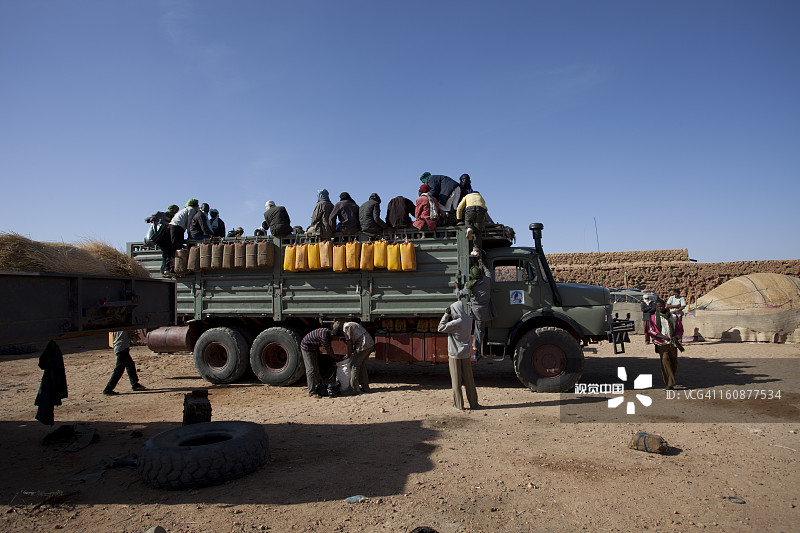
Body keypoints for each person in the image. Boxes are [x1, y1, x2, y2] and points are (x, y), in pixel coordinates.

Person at [438, 299, 479, 410]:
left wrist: (446, 314)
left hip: (455, 356)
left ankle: (459, 404)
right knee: (469, 380)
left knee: (456, 381)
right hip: (466, 354)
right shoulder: (469, 320)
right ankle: (474, 403)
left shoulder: (456, 323)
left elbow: (440, 327)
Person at [458, 264, 496, 358]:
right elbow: (489, 274)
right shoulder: (487, 281)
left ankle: (465, 347)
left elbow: (460, 294)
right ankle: (475, 348)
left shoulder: (469, 285)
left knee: (466, 328)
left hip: (472, 310)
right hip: (483, 311)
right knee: (479, 330)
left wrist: (456, 287)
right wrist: (484, 267)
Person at [647, 298, 684, 389]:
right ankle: (670, 383)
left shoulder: (674, 317)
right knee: (665, 361)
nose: (660, 308)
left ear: (665, 306)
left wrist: (676, 337)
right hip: (661, 343)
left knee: (674, 362)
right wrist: (662, 337)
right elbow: (651, 330)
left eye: (662, 306)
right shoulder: (653, 318)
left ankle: (671, 379)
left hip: (673, 343)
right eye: (658, 307)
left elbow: (679, 329)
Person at [331, 321, 374, 394]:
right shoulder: (350, 324)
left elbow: (349, 343)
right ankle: (365, 388)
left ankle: (354, 388)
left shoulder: (347, 328)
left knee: (355, 366)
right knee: (362, 366)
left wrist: (348, 355)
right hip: (369, 344)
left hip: (363, 345)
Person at [103, 330, 146, 395]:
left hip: (120, 346)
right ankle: (108, 389)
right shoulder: (124, 327)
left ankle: (135, 384)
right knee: (119, 369)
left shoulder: (118, 326)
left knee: (130, 365)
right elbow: (131, 334)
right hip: (122, 347)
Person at [300, 327, 338, 399]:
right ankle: (311, 392)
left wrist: (335, 357)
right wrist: (337, 358)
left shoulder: (328, 333)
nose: (335, 340)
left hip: (313, 347)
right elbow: (328, 351)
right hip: (307, 347)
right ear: (333, 335)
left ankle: (317, 386)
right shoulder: (325, 336)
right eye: (336, 338)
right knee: (311, 369)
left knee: (316, 368)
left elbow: (330, 348)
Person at [167, 199, 198, 275]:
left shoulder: (185, 209)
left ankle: (173, 267)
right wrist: (190, 235)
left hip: (174, 227)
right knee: (176, 248)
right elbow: (189, 223)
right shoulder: (191, 210)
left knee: (176, 246)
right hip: (177, 228)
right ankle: (173, 268)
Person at [456, 190, 489, 257]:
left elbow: (459, 208)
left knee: (468, 221)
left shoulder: (467, 196)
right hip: (481, 210)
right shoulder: (481, 197)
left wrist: (459, 219)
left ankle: (469, 228)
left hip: (470, 209)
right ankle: (476, 250)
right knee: (478, 231)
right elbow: (485, 207)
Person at [146, 207, 175, 276]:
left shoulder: (160, 214)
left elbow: (147, 220)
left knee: (165, 253)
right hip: (163, 237)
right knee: (167, 253)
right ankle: (166, 269)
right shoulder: (164, 215)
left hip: (159, 237)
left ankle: (164, 269)